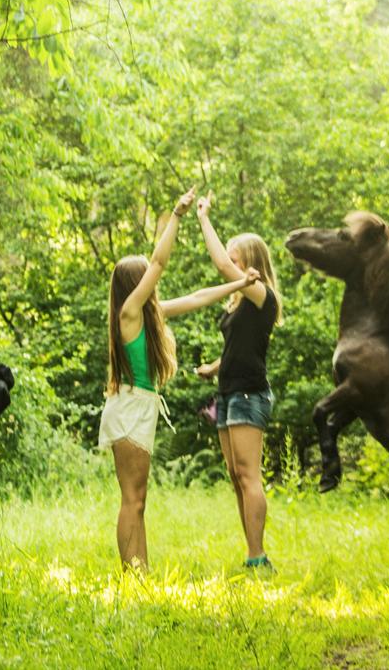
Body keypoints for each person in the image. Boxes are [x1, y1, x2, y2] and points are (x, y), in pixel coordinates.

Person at [100, 186, 261, 572]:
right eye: (143, 277)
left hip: (139, 406)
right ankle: (132, 575)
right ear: (133, 283)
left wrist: (239, 284)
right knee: (132, 499)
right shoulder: (129, 313)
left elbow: (197, 297)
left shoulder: (147, 314)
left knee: (139, 499)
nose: (151, 280)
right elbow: (158, 263)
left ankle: (142, 572)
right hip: (129, 407)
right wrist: (176, 215)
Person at [194, 193, 283, 572]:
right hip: (228, 393)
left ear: (250, 261)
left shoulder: (263, 296)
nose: (228, 263)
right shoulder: (238, 303)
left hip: (250, 394)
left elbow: (217, 263)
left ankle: (257, 556)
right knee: (235, 476)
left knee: (249, 475)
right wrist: (214, 368)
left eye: (234, 257)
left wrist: (203, 218)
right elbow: (238, 347)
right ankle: (252, 551)